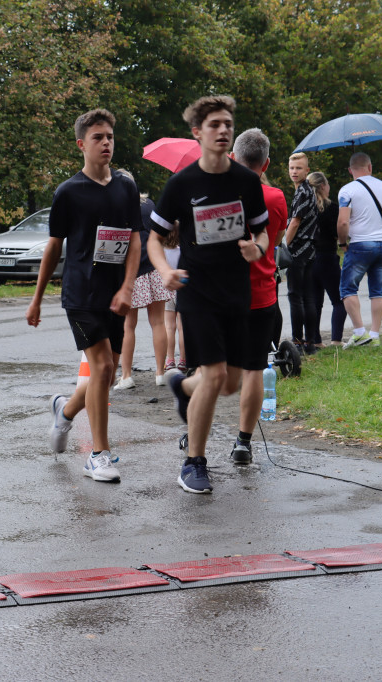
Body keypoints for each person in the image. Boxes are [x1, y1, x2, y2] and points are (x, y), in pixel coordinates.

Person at [146, 95, 270, 494]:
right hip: (197, 291)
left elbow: (264, 232)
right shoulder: (182, 184)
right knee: (214, 375)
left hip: (237, 292)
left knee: (229, 383)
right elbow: (154, 238)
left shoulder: (247, 182)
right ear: (197, 132)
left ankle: (182, 386)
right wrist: (165, 270)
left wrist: (259, 249)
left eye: (228, 124)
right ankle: (193, 463)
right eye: (214, 124)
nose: (223, 130)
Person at [26, 108, 142, 483]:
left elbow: (135, 239)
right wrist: (37, 297)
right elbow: (53, 247)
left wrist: (127, 287)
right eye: (98, 137)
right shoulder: (68, 192)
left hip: (116, 295)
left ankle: (65, 409)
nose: (106, 143)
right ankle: (99, 454)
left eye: (109, 136)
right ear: (82, 144)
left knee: (104, 378)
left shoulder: (125, 186)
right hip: (80, 293)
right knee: (104, 368)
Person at [226, 128, 287, 465]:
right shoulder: (277, 198)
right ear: (266, 163)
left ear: (233, 156)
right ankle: (243, 443)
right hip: (261, 293)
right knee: (253, 369)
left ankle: (196, 433)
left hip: (221, 295)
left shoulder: (219, 193)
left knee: (210, 369)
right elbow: (273, 237)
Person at [336, 152, 382, 348]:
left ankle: (360, 333)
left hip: (360, 244)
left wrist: (342, 243)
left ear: (350, 170)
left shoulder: (347, 190)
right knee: (377, 291)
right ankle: (375, 335)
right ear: (370, 167)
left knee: (348, 288)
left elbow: (343, 221)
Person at [115, 190, 171, 389]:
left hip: (133, 271)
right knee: (158, 322)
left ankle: (127, 376)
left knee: (128, 325)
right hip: (155, 267)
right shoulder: (149, 205)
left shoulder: (118, 207)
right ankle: (160, 373)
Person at [302, 171, 345, 347]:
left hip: (308, 259)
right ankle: (336, 340)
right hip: (327, 257)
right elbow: (337, 233)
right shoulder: (332, 207)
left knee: (313, 302)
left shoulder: (303, 207)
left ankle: (314, 340)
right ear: (322, 186)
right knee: (339, 300)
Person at [285, 152, 318, 352]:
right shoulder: (308, 190)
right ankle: (310, 342)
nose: (294, 172)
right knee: (308, 296)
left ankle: (298, 341)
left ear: (307, 170)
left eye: (299, 168)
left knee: (295, 295)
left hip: (299, 250)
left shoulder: (302, 192)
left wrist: (283, 246)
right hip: (310, 250)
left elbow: (295, 222)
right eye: (292, 168)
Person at [161, 229, 186, 373]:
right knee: (182, 328)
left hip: (167, 290)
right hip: (181, 290)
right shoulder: (182, 250)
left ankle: (170, 360)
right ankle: (183, 360)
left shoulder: (162, 252)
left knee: (169, 327)